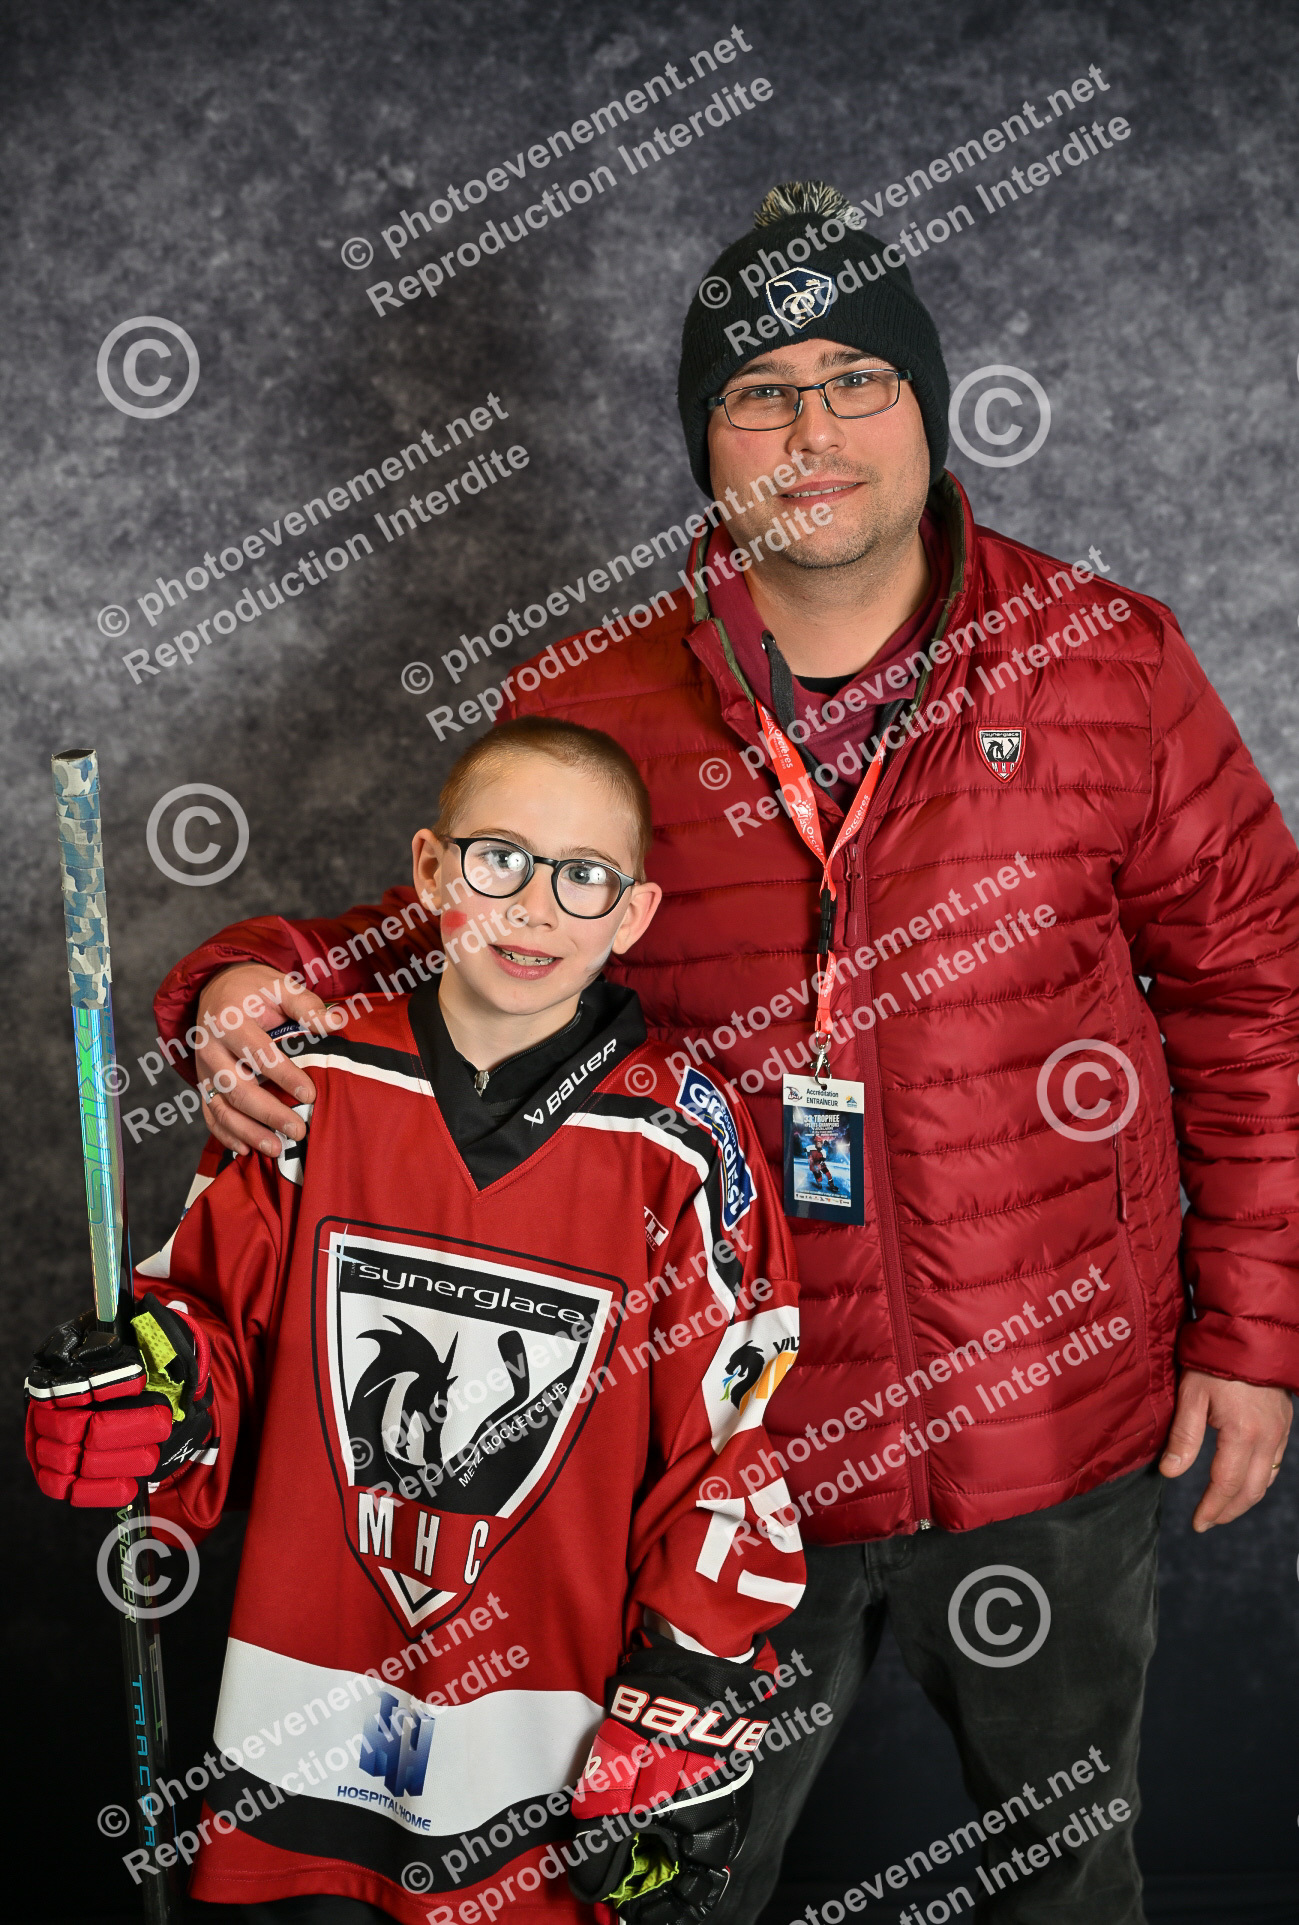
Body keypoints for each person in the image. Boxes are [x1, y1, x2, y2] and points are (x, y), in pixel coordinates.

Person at [150, 182, 1299, 1921]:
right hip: (717, 1451)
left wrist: (1252, 1330)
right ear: (704, 438)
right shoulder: (595, 701)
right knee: (667, 1892)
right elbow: (458, 934)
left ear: (926, 407)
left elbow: (1252, 993)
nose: (809, 429)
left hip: (1050, 1417)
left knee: (1063, 1878)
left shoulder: (1105, 662)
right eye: (758, 392)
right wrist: (248, 978)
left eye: (854, 379)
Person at [25, 718, 807, 1925]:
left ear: (634, 912)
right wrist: (151, 1392)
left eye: (583, 875)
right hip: (306, 1713)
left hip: (546, 1735)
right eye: (500, 859)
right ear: (433, 869)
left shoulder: (680, 1138)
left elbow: (728, 1448)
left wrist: (688, 1695)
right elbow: (212, 1327)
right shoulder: (314, 1083)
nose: (535, 906)